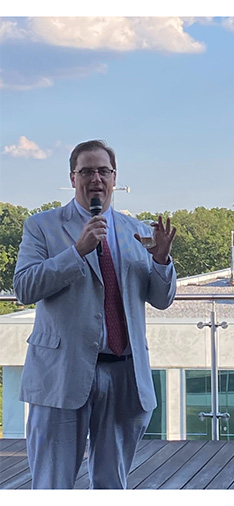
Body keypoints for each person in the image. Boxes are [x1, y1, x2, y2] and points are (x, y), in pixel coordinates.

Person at [13, 140, 177, 489]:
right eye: (87, 171)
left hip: (123, 376)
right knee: (52, 486)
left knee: (111, 486)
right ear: (73, 178)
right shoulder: (41, 226)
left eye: (103, 171)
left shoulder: (138, 231)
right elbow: (25, 288)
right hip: (62, 375)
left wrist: (162, 261)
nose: (96, 178)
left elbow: (160, 300)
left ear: (114, 178)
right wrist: (77, 251)